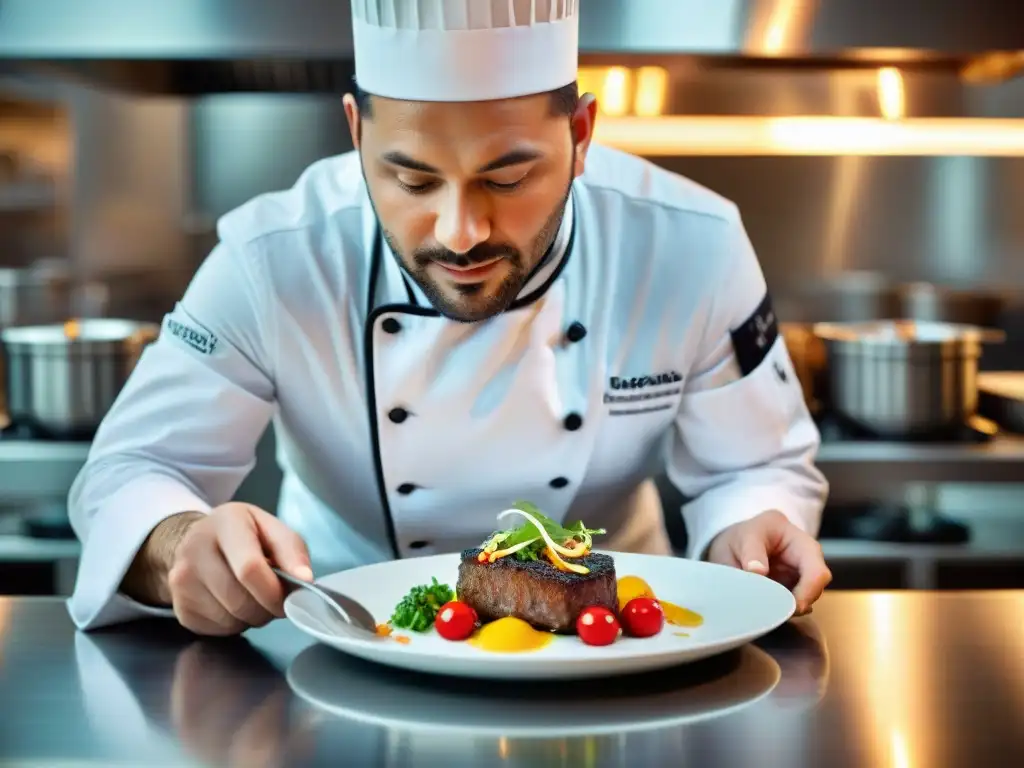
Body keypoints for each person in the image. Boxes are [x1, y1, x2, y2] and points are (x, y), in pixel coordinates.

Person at [66, 0, 832, 636]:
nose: (459, 231)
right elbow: (132, 472)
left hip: (617, 651)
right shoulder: (273, 258)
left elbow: (753, 467)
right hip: (345, 628)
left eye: (509, 175)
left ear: (581, 136)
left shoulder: (689, 244)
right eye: (412, 178)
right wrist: (180, 546)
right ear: (356, 133)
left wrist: (748, 530)